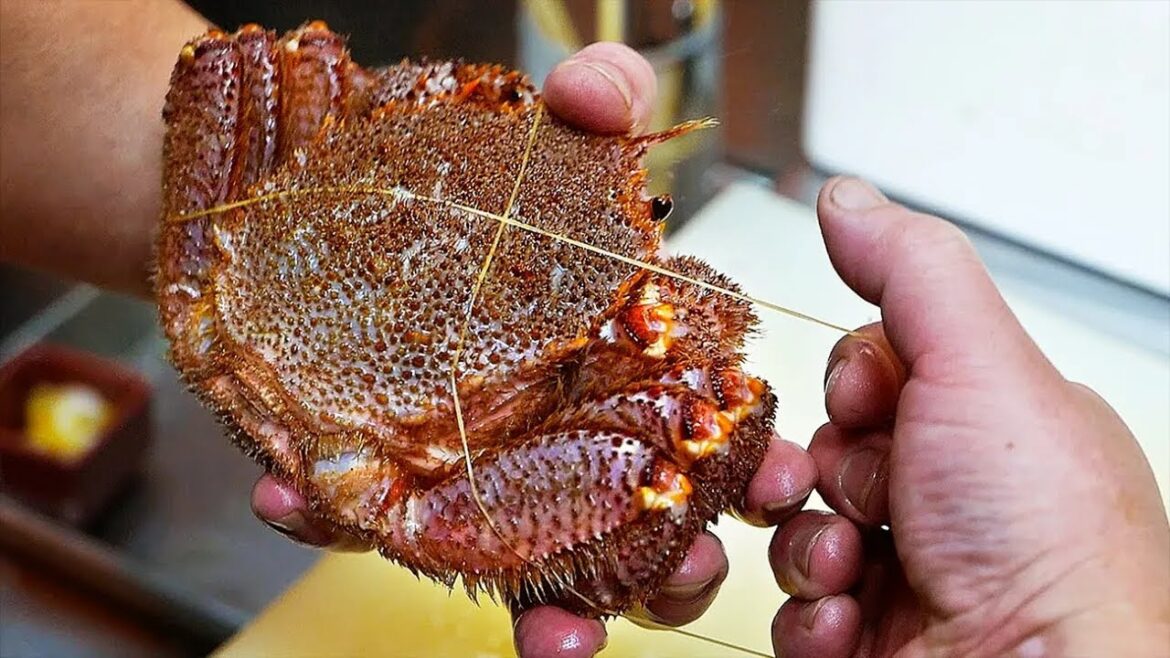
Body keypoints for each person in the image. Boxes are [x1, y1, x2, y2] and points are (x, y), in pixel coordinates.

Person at [2, 2, 1166, 657]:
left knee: (273, 58)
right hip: (395, 468)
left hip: (227, 297)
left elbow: (256, 71)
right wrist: (1077, 611)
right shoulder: (599, 331)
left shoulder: (226, 262)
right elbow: (690, 442)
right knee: (712, 416)